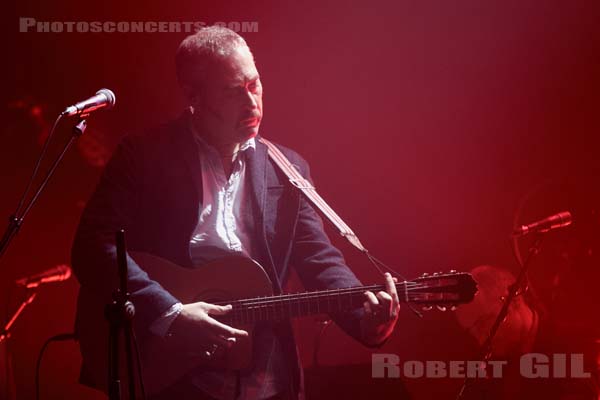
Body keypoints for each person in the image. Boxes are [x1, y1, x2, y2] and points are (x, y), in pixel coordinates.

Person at [72, 26, 400, 400]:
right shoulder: (143, 156)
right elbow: (93, 246)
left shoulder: (288, 168)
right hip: (168, 374)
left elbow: (318, 258)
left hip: (265, 379)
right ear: (192, 96)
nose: (252, 103)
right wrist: (170, 313)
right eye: (232, 91)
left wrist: (365, 317)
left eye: (254, 85)